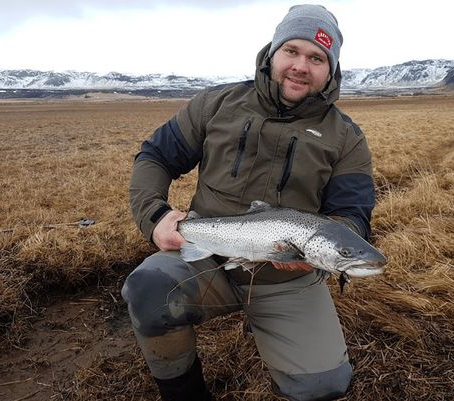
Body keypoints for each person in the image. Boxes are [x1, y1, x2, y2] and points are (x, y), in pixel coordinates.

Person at [121, 4, 375, 401]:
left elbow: (352, 216)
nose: (300, 66)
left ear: (331, 69)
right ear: (272, 52)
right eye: (292, 51)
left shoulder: (346, 138)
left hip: (288, 279)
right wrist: (154, 216)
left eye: (317, 58)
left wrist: (319, 251)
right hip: (207, 260)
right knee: (150, 290)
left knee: (323, 387)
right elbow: (155, 156)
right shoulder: (216, 104)